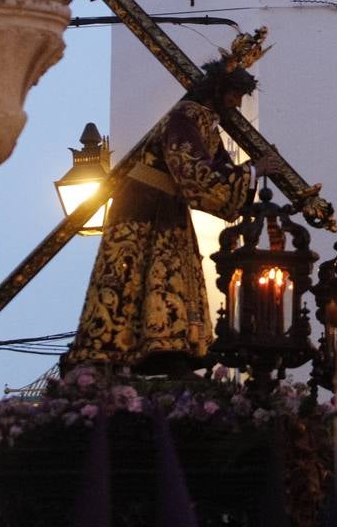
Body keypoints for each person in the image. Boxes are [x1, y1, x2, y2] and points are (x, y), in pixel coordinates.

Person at [65, 31, 284, 375]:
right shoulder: (186, 117)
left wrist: (251, 175)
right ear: (219, 91)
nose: (238, 104)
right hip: (145, 207)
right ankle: (141, 349)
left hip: (165, 207)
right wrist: (253, 170)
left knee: (165, 277)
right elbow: (195, 173)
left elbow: (219, 169)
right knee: (143, 276)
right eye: (235, 95)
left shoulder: (204, 122)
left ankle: (169, 348)